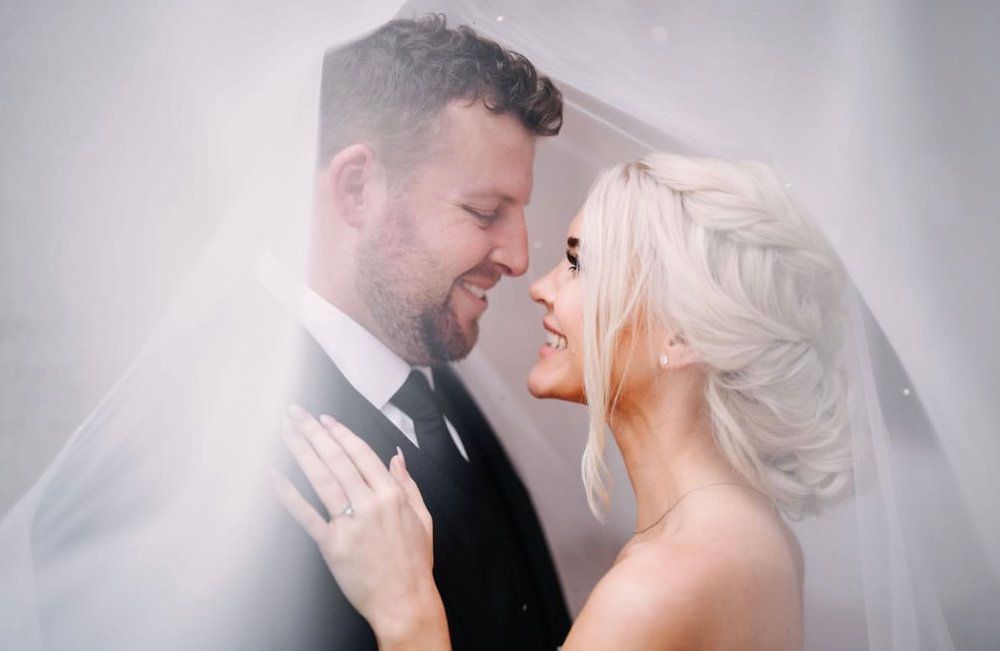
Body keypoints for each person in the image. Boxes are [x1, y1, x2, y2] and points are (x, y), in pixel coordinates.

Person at [15, 15, 570, 650]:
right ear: (357, 189)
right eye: (484, 211)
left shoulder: (423, 363)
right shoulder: (188, 439)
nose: (519, 257)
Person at [276, 153, 854, 650]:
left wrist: (407, 614)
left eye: (580, 264)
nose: (541, 286)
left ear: (682, 335)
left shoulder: (657, 586)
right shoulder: (750, 534)